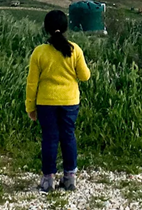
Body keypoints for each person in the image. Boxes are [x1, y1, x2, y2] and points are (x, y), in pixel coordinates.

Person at [25, 10, 92, 193]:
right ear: (65, 28)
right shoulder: (74, 49)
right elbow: (85, 76)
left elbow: (32, 83)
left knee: (50, 138)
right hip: (70, 101)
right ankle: (70, 178)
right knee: (68, 136)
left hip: (45, 102)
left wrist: (30, 106)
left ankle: (48, 180)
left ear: (46, 28)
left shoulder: (39, 52)